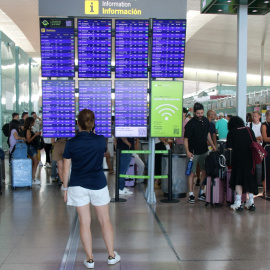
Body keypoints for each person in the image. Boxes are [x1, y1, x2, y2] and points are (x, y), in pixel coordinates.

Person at [62, 109, 120, 268]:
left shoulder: (71, 143)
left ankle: (89, 259)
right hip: (98, 184)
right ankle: (111, 255)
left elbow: (66, 170)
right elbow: (100, 154)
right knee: (104, 221)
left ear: (77, 124)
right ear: (93, 123)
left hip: (77, 185)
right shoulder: (101, 141)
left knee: (84, 222)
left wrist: (65, 189)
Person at [184, 102, 216, 204]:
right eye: (198, 113)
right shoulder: (190, 124)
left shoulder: (206, 121)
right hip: (193, 152)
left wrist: (213, 145)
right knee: (191, 173)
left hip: (204, 151)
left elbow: (208, 135)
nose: (200, 115)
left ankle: (201, 191)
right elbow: (185, 139)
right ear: (194, 112)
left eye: (202, 113)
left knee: (205, 171)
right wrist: (187, 151)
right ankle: (191, 194)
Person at [226, 116, 258, 211]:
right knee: (250, 179)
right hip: (250, 159)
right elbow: (254, 142)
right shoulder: (249, 130)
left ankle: (238, 203)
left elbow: (229, 147)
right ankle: (251, 202)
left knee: (238, 180)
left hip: (238, 160)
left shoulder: (232, 132)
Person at [24, 117, 41, 185]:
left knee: (34, 162)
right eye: (33, 122)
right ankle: (33, 178)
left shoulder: (28, 129)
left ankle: (32, 177)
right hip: (31, 147)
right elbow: (28, 140)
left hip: (31, 147)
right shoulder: (28, 130)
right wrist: (35, 135)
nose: (34, 123)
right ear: (31, 122)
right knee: (36, 162)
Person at [261, 110, 270, 195]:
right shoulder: (264, 125)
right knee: (266, 168)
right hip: (267, 149)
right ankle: (265, 189)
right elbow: (265, 138)